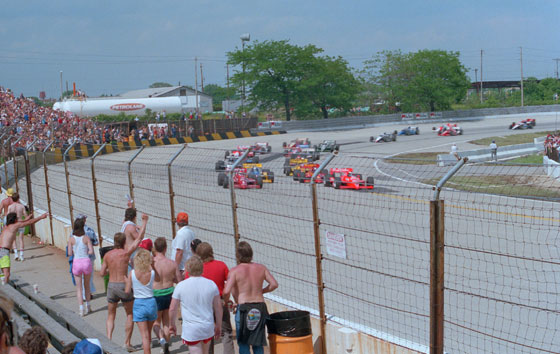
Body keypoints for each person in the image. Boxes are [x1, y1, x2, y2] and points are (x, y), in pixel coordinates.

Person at [223, 241, 278, 354]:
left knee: (244, 342)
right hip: (259, 306)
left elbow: (226, 290)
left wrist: (226, 300)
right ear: (251, 254)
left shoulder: (234, 271)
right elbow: (274, 284)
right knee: (258, 342)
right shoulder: (261, 268)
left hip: (244, 307)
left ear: (238, 255)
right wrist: (261, 291)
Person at [99, 230, 146, 351]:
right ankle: (127, 343)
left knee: (110, 315)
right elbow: (138, 240)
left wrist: (111, 270)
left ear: (115, 242)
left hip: (111, 286)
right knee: (130, 314)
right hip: (123, 284)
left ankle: (108, 340)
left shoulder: (107, 255)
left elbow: (102, 273)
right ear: (124, 242)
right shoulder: (126, 253)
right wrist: (144, 223)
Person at [170, 256, 222, 354]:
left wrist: (172, 324)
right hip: (207, 326)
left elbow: (173, 308)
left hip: (191, 329)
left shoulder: (181, 286)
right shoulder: (211, 284)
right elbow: (218, 307)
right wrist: (218, 325)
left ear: (188, 269)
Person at [191, 242, 234, 354]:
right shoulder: (221, 265)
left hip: (203, 303)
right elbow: (229, 284)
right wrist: (226, 298)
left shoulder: (196, 269)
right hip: (219, 301)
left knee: (207, 334)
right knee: (226, 333)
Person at [0, 212, 47, 284]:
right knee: (7, 274)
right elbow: (29, 222)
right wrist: (41, 217)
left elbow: (22, 222)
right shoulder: (14, 226)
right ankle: (6, 289)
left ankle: (4, 287)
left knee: (3, 274)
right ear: (15, 220)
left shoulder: (6, 227)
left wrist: (26, 218)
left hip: (1, 250)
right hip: (4, 251)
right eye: (17, 218)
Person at [125, 249, 157, 354]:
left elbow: (127, 291)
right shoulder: (151, 272)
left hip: (139, 303)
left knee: (144, 335)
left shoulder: (132, 273)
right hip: (151, 302)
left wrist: (127, 281)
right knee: (148, 333)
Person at [152, 237, 180, 354]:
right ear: (165, 248)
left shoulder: (152, 263)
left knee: (156, 322)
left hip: (156, 294)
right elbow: (179, 280)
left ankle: (162, 340)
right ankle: (166, 345)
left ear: (154, 248)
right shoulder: (172, 263)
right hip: (169, 293)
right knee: (166, 322)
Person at [67, 218, 94, 316]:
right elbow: (91, 251)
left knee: (79, 288)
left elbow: (70, 253)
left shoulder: (71, 239)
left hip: (77, 262)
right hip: (86, 261)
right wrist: (86, 252)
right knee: (87, 286)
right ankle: (88, 306)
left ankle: (81, 309)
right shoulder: (86, 238)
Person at [76, 214, 98, 295]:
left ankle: (83, 294)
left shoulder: (73, 232)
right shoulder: (89, 231)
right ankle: (88, 293)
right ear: (84, 220)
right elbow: (96, 243)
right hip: (89, 257)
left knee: (80, 277)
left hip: (78, 257)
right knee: (89, 276)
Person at [171, 212, 195, 278]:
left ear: (177, 222)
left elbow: (179, 252)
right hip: (188, 266)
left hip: (181, 269)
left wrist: (175, 268)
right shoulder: (191, 233)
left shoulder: (180, 234)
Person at [7, 193, 25, 261]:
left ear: (12, 199)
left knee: (13, 239)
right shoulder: (21, 206)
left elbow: (8, 216)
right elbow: (25, 215)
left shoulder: (10, 207)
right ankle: (21, 255)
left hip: (13, 224)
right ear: (18, 198)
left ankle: (16, 254)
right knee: (21, 239)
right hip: (20, 223)